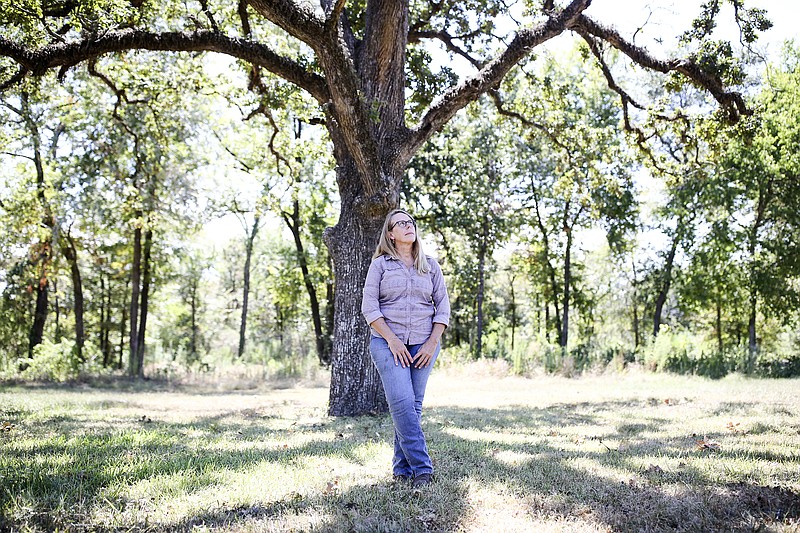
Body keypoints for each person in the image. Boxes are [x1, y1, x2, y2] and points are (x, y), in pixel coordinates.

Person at [361, 209, 451, 488]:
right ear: (390, 234)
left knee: (412, 407)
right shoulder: (380, 265)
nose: (407, 226)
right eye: (400, 223)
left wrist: (432, 342)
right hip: (388, 344)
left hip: (425, 344)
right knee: (402, 404)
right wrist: (393, 340)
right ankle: (423, 468)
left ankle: (401, 470)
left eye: (410, 222)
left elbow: (443, 307)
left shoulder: (430, 265)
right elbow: (369, 308)